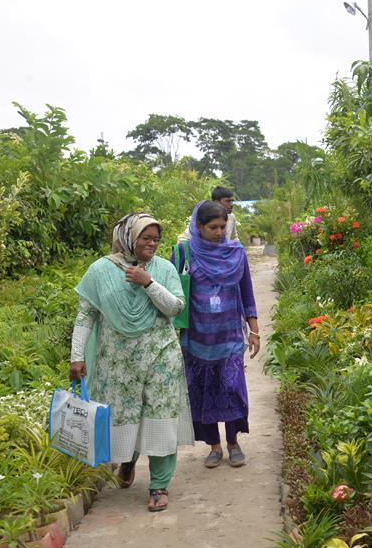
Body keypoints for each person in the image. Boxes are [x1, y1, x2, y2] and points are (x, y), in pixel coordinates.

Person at [69, 213, 194, 512]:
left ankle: (159, 485)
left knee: (160, 416)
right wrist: (76, 356)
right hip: (118, 362)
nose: (151, 244)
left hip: (160, 357)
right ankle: (127, 460)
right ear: (128, 238)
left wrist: (148, 282)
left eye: (155, 239)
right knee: (125, 416)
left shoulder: (163, 269)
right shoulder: (100, 270)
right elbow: (86, 314)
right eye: (145, 238)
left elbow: (175, 307)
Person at [172, 200, 259, 468]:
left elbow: (247, 292)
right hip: (197, 339)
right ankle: (214, 446)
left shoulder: (236, 252)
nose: (219, 232)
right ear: (199, 226)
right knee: (202, 392)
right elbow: (173, 292)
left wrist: (254, 331)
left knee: (232, 389)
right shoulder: (184, 252)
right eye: (213, 227)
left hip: (230, 336)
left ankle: (233, 442)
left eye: (223, 227)